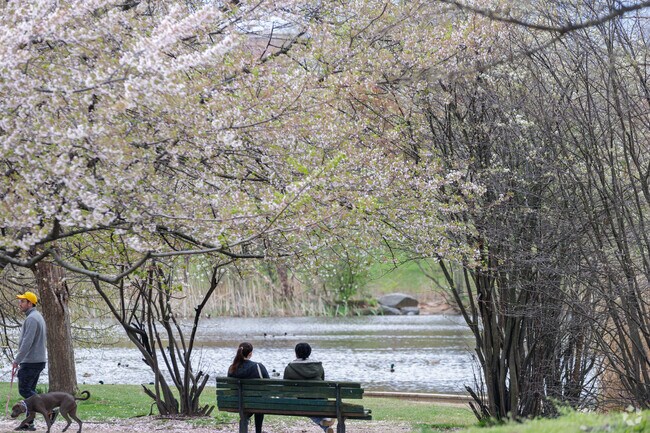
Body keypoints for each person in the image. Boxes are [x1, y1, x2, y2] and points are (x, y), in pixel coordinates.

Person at [13, 291, 47, 432]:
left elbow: (27, 342)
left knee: (25, 390)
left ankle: (48, 411)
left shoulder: (32, 319)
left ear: (30, 303)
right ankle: (29, 423)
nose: (20, 304)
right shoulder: (36, 316)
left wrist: (17, 360)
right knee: (30, 393)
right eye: (20, 301)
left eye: (23, 301)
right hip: (36, 361)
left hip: (31, 361)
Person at [283, 342, 335, 433]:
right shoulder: (319, 367)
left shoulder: (289, 368)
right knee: (310, 404)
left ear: (296, 353)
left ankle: (323, 423)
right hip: (320, 399)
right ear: (309, 353)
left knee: (305, 404)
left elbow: (286, 388)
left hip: (300, 401)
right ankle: (325, 425)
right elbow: (322, 382)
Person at [227, 342, 269, 433]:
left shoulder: (232, 368)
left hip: (237, 402)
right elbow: (268, 384)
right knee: (258, 402)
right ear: (250, 354)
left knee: (254, 402)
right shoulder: (258, 366)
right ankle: (258, 431)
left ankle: (245, 422)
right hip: (256, 402)